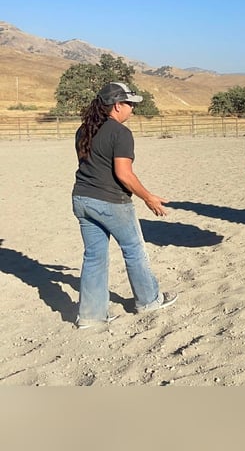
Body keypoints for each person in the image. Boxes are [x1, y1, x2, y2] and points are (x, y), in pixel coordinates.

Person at [72, 82, 177, 329]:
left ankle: (91, 316)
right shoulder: (120, 133)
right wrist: (148, 197)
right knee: (134, 249)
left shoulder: (83, 130)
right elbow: (124, 174)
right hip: (111, 202)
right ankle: (149, 300)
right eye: (130, 104)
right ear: (117, 105)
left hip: (82, 199)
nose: (132, 109)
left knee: (94, 257)